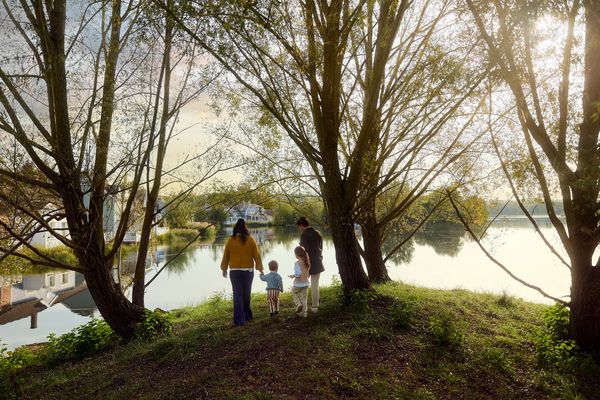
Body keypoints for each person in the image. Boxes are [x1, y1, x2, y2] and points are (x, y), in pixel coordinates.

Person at [220, 218, 263, 326]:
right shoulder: (251, 239)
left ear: (235, 228)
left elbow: (226, 256)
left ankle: (239, 320)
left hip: (235, 272)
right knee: (246, 294)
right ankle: (247, 316)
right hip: (248, 272)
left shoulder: (230, 240)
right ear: (245, 228)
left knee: (237, 295)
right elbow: (256, 256)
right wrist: (260, 269)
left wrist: (224, 269)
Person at [296, 217, 324, 312]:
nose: (299, 229)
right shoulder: (317, 233)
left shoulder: (304, 235)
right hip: (318, 262)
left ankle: (303, 306)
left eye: (299, 227)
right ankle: (315, 306)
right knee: (315, 285)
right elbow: (321, 248)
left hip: (308, 263)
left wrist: (302, 264)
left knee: (302, 285)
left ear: (302, 225)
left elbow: (304, 251)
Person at [289, 246, 310, 318]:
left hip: (298, 284)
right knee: (304, 298)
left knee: (294, 292)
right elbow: (306, 272)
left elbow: (298, 274)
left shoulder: (297, 263)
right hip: (306, 283)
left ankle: (298, 304)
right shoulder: (307, 262)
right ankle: (304, 313)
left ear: (297, 255)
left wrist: (293, 276)